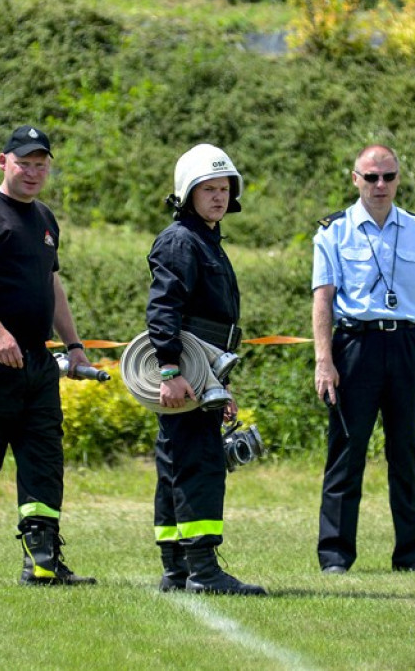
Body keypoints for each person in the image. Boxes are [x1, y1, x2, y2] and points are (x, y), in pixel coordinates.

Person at [0, 124, 96, 587]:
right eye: (24, 163)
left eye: (40, 165)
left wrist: (74, 347)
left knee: (44, 463)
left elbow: (52, 285)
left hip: (38, 364)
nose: (32, 172)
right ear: (3, 162)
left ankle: (43, 562)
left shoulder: (45, 218)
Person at [311, 144, 415, 574]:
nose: (380, 185)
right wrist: (324, 360)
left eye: (388, 177)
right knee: (346, 454)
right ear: (355, 178)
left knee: (405, 454)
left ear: (398, 179)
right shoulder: (334, 232)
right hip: (354, 347)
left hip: (407, 346)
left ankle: (412, 555)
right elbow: (323, 300)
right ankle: (335, 556)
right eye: (371, 177)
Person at [145, 144, 266, 596]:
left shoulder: (205, 240)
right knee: (200, 464)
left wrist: (219, 385)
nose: (218, 197)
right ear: (187, 193)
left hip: (204, 373)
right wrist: (169, 370)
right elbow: (164, 310)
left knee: (178, 463)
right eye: (207, 189)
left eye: (224, 189)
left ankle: (177, 568)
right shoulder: (181, 241)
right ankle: (203, 571)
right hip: (187, 373)